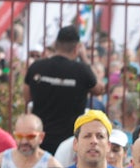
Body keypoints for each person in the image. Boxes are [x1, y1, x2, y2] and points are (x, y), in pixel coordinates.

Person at [24, 26, 100, 154]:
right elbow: (99, 89)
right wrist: (85, 59)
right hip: (70, 142)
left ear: (55, 44)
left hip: (40, 138)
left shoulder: (36, 67)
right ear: (77, 48)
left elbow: (27, 97)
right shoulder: (82, 70)